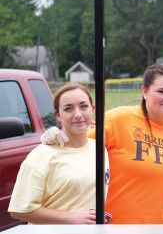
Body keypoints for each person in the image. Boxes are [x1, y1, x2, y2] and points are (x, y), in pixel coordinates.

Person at [41, 64, 163, 224]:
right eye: (162, 91)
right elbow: (74, 144)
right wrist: (56, 134)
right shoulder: (119, 119)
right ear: (144, 92)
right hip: (115, 232)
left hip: (159, 233)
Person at [8, 83, 110, 224]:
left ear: (92, 109)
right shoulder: (41, 155)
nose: (78, 114)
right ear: (58, 116)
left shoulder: (99, 148)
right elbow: (19, 209)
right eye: (68, 109)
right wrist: (72, 218)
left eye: (84, 106)